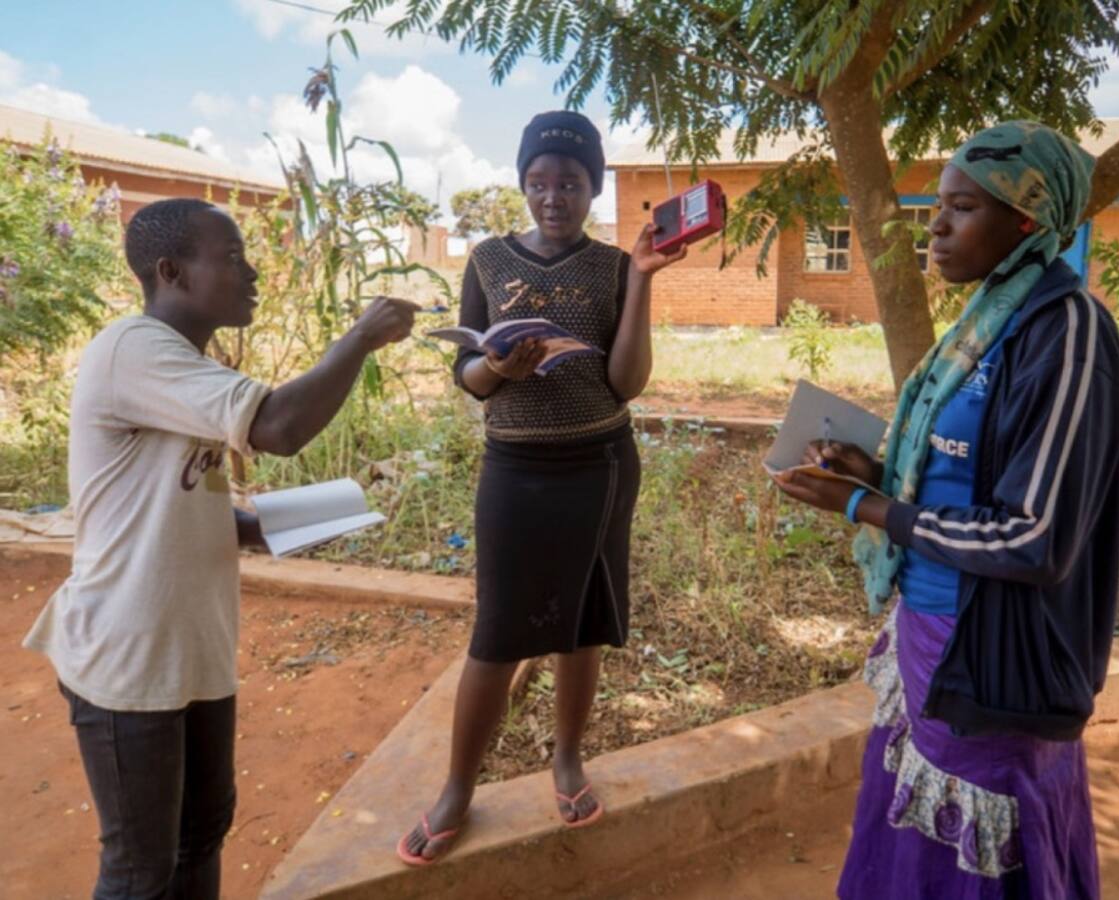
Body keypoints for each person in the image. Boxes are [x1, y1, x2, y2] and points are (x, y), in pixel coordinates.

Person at [22, 198, 418, 899]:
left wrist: (269, 524)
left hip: (190, 652)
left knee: (202, 835)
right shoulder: (132, 348)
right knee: (140, 871)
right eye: (232, 257)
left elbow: (168, 499)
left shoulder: (179, 363)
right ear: (171, 272)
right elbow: (280, 426)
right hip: (127, 658)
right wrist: (358, 338)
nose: (253, 272)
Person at [772, 122, 1119, 898]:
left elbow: (1034, 536)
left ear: (1026, 220)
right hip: (932, 632)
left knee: (978, 850)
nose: (934, 225)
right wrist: (875, 475)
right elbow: (959, 473)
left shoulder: (1064, 334)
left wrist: (870, 508)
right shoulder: (987, 322)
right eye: (939, 206)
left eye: (962, 208)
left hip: (996, 656)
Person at [398, 110, 686, 865]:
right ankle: (459, 787)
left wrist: (644, 283)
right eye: (538, 182)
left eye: (569, 182)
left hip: (600, 465)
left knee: (583, 625)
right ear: (522, 184)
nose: (552, 196)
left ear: (592, 188)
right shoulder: (488, 260)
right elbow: (466, 376)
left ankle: (566, 758)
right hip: (517, 471)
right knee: (497, 634)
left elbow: (626, 383)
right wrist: (498, 367)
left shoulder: (614, 265)